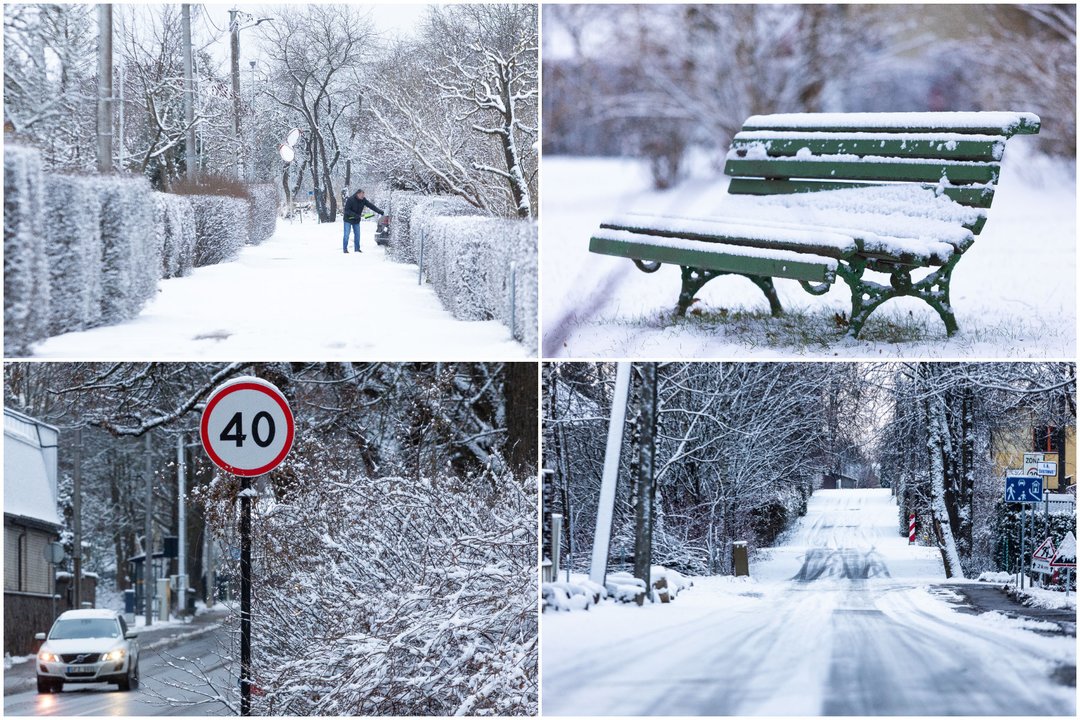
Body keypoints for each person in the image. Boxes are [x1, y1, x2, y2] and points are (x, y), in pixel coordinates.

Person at [341, 189, 385, 253]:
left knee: (357, 235)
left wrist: (380, 211)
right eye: (362, 195)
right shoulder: (350, 199)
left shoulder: (363, 200)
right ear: (358, 194)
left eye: (363, 195)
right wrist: (355, 215)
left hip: (356, 220)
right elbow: (347, 210)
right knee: (346, 235)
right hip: (348, 219)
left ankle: (357, 249)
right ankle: (345, 249)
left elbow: (371, 206)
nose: (363, 197)